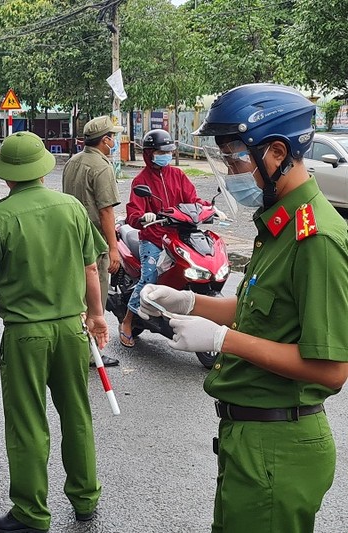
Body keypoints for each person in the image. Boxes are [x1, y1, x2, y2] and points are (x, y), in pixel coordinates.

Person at [138, 83, 348, 533]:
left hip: (278, 447)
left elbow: (332, 370)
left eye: (235, 158)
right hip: (249, 440)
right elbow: (259, 311)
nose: (231, 172)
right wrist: (194, 302)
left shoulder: (317, 239)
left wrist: (221, 340)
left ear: (276, 152)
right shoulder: (279, 224)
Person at [0, 131, 109, 532]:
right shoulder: (72, 208)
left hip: (26, 335)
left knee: (27, 422)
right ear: (43, 169)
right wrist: (97, 316)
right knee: (77, 415)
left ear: (7, 177)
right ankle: (85, 499)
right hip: (72, 330)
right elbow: (92, 268)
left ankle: (31, 513)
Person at [118, 129, 224, 347]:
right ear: (149, 153)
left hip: (179, 234)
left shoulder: (178, 175)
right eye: (160, 151)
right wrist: (143, 217)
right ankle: (127, 322)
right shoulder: (141, 181)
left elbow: (192, 199)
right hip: (154, 238)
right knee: (149, 278)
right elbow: (133, 213)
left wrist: (210, 208)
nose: (164, 155)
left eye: (167, 151)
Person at [62, 115, 123, 367]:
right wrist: (113, 248)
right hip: (94, 243)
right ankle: (90, 353)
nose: (115, 142)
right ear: (105, 140)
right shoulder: (101, 166)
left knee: (76, 297)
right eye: (113, 137)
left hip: (71, 238)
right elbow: (106, 211)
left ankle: (77, 346)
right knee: (94, 298)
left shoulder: (73, 162)